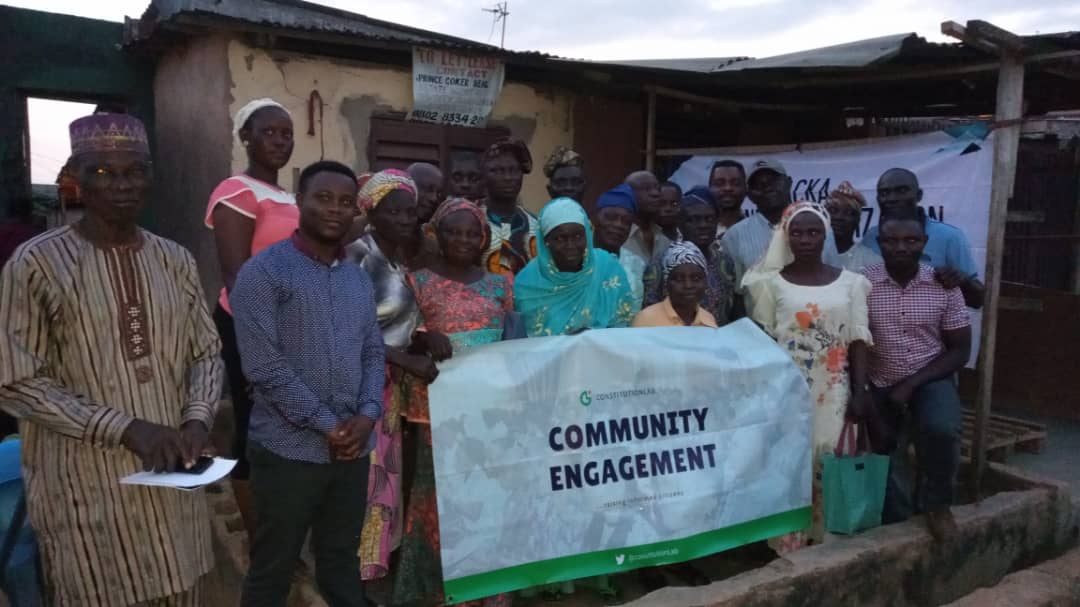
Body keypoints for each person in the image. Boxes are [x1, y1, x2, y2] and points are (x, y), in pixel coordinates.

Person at [0, 113, 223, 606]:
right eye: (103, 172)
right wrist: (125, 428)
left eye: (135, 171)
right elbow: (16, 381)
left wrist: (197, 420)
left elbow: (206, 351)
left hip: (173, 487)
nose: (123, 185)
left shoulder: (175, 259)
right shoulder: (36, 264)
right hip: (86, 491)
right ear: (75, 177)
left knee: (183, 588)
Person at [232, 160, 384, 607]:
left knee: (340, 562)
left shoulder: (357, 280)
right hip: (288, 452)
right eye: (323, 198)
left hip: (352, 450)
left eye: (345, 202)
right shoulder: (263, 273)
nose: (335, 209)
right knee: (273, 568)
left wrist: (367, 415)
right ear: (299, 201)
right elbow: (264, 367)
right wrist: (328, 425)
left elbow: (373, 352)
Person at [391, 198, 515, 607]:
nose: (463, 239)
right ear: (437, 235)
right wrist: (424, 336)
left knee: (490, 498)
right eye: (453, 232)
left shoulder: (501, 284)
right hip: (438, 412)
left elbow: (513, 343)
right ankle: (439, 590)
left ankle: (490, 591)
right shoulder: (417, 282)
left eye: (471, 233)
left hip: (492, 413)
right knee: (442, 499)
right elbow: (400, 338)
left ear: (483, 238)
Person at [743, 201, 873, 550]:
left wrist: (860, 392)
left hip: (834, 389)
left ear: (825, 234)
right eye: (796, 232)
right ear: (786, 237)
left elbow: (858, 340)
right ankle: (788, 542)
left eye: (813, 232)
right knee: (789, 459)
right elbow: (765, 340)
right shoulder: (770, 285)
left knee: (829, 455)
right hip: (787, 389)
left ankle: (827, 537)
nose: (804, 239)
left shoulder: (852, 284)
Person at [205, 97, 297, 540]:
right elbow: (237, 275)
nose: (280, 141)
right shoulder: (235, 192)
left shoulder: (288, 197)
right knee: (253, 425)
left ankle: (282, 527)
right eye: (268, 132)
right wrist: (262, 345)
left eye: (286, 134)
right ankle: (260, 541)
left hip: (290, 327)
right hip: (250, 325)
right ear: (245, 137)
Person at [345, 169, 434, 583]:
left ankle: (374, 565)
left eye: (409, 212)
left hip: (390, 384)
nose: (403, 219)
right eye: (392, 211)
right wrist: (405, 360)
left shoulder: (397, 259)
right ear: (371, 212)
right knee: (367, 478)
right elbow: (347, 331)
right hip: (361, 384)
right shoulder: (357, 257)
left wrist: (423, 339)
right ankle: (355, 573)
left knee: (385, 476)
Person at [863, 207, 971, 541]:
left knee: (942, 429)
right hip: (880, 378)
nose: (901, 247)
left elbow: (960, 350)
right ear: (879, 243)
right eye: (891, 240)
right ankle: (896, 519)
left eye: (910, 240)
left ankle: (937, 505)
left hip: (929, 376)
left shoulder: (943, 284)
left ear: (923, 242)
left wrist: (911, 384)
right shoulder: (862, 284)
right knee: (882, 446)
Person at [863, 168, 984, 308]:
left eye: (902, 191)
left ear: (919, 195)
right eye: (884, 193)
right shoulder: (871, 237)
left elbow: (978, 301)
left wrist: (963, 281)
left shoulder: (950, 236)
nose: (892, 198)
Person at [515, 198, 635, 337]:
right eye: (560, 239)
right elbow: (528, 342)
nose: (570, 246)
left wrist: (590, 337)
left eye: (577, 236)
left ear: (587, 235)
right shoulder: (527, 283)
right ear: (545, 241)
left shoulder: (608, 268)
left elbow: (624, 327)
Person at [724, 158, 840, 290]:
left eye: (773, 180)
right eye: (757, 184)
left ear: (788, 183)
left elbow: (835, 279)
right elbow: (736, 292)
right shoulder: (734, 236)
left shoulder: (819, 227)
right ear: (749, 194)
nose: (766, 187)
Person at [643, 187, 738, 325]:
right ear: (680, 224)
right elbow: (650, 311)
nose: (703, 225)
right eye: (694, 220)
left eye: (709, 219)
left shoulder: (725, 262)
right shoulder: (660, 262)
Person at [481, 138, 539, 278]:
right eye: (499, 171)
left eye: (514, 170)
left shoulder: (536, 225)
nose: (508, 177)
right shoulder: (471, 221)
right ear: (484, 175)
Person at [633, 241, 717, 328]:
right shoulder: (646, 319)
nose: (688, 285)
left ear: (705, 282)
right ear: (667, 283)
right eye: (679, 279)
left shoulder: (709, 320)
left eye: (696, 278)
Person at [593, 185, 645, 312]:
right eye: (610, 217)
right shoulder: (577, 259)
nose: (618, 225)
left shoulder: (637, 264)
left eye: (626, 221)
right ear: (595, 218)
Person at [825, 181, 883, 272]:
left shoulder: (872, 261)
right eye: (833, 210)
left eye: (848, 212)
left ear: (857, 220)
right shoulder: (811, 257)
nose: (839, 217)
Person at [707, 159, 748, 237]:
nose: (727, 188)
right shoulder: (698, 233)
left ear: (746, 189)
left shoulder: (757, 229)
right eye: (719, 183)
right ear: (709, 188)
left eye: (736, 183)